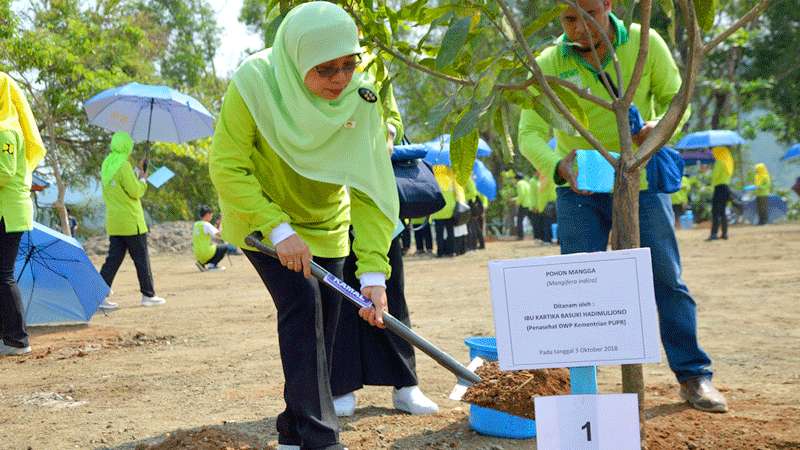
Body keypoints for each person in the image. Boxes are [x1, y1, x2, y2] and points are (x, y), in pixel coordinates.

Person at [518, 0, 727, 413]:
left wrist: (658, 130)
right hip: (580, 190)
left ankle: (693, 375)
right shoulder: (548, 62)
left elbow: (676, 100)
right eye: (568, 18)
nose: (578, 29)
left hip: (642, 184)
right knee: (577, 288)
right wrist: (558, 164)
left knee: (666, 279)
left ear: (609, 5)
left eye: (589, 14)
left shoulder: (646, 44)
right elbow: (529, 132)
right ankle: (582, 389)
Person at [209, 3, 398, 448]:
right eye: (326, 69)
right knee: (302, 308)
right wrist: (278, 230)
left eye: (348, 65)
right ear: (296, 62)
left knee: (325, 331)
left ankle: (293, 429)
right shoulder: (256, 85)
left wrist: (373, 274)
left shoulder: (362, 99)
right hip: (262, 220)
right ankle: (320, 437)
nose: (339, 79)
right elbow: (227, 165)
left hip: (327, 222)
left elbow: (371, 189)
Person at [330, 65, 437, 417]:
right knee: (337, 295)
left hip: (375, 192)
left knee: (389, 292)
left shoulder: (376, 61)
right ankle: (340, 386)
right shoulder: (308, 65)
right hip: (331, 199)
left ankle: (406, 385)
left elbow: (393, 115)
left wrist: (388, 130)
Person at [0, 72, 46, 356]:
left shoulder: (6, 129)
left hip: (9, 212)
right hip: (6, 210)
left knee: (3, 274)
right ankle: (8, 336)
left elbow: (3, 172)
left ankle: (18, 339)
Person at [98, 131, 166, 311]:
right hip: (131, 220)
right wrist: (143, 179)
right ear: (126, 146)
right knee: (141, 259)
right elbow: (135, 191)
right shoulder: (123, 165)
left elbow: (120, 185)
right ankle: (148, 295)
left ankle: (99, 295)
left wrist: (137, 171)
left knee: (112, 260)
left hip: (114, 221)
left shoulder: (107, 164)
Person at [192, 205, 240, 272]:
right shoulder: (206, 224)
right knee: (225, 247)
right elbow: (219, 235)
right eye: (211, 215)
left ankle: (201, 263)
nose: (211, 217)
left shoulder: (196, 224)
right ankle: (212, 266)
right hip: (205, 253)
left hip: (197, 254)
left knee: (215, 247)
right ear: (207, 214)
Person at [707, 146, 734, 240]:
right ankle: (724, 234)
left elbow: (715, 176)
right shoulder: (728, 163)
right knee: (722, 212)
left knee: (715, 212)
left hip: (719, 189)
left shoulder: (719, 162)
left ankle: (714, 234)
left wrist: (710, 181)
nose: (714, 154)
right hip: (726, 188)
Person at [430, 165, 456, 257]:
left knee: (439, 234)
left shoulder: (433, 180)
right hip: (450, 210)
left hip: (439, 210)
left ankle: (440, 252)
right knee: (450, 232)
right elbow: (456, 193)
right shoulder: (451, 178)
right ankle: (451, 251)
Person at [514, 173, 533, 240]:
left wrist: (517, 202)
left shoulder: (519, 183)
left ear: (516, 179)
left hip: (524, 204)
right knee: (533, 220)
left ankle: (520, 236)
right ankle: (538, 235)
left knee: (519, 220)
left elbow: (521, 195)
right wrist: (515, 199)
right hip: (530, 204)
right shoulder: (526, 183)